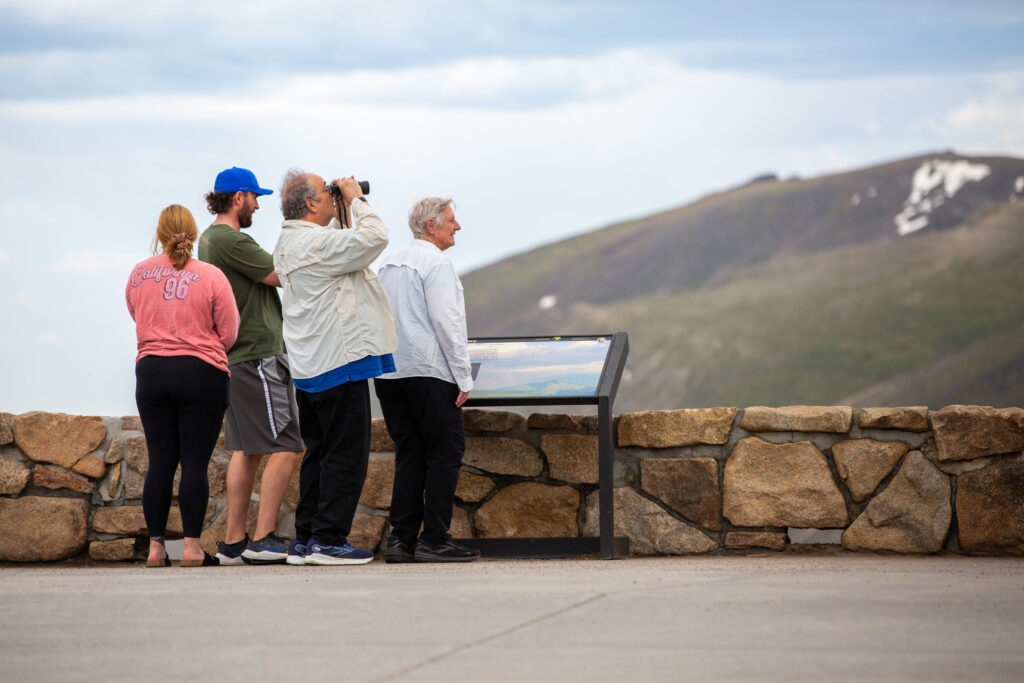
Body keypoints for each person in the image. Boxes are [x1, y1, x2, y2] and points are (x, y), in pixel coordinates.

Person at [272, 170, 397, 566]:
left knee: (320, 453)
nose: (332, 194)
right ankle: (329, 540)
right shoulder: (319, 243)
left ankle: (306, 538)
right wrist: (357, 199)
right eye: (326, 192)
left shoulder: (288, 242)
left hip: (310, 366)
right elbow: (373, 238)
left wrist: (341, 209)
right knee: (346, 454)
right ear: (310, 203)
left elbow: (348, 248)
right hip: (340, 361)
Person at [198, 167, 304, 565]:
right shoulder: (229, 238)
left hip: (237, 356)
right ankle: (263, 537)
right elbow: (279, 274)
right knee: (289, 445)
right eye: (255, 197)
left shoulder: (209, 239)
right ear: (238, 197)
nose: (259, 204)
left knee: (247, 450)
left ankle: (233, 543)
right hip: (257, 353)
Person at [126, 204, 240, 567]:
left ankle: (156, 549)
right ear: (193, 233)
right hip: (200, 373)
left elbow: (136, 314)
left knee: (160, 461)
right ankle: (191, 548)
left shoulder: (138, 275)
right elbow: (230, 332)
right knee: (194, 462)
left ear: (160, 234)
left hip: (152, 373)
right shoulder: (211, 276)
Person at [374, 197, 480, 563]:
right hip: (429, 372)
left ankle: (400, 542)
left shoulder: (385, 262)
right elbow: (446, 322)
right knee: (445, 452)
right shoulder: (436, 263)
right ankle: (435, 539)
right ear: (431, 226)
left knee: (410, 455)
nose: (458, 226)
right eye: (451, 220)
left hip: (389, 371)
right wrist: (464, 377)